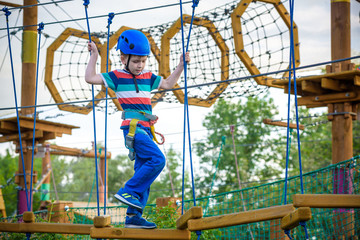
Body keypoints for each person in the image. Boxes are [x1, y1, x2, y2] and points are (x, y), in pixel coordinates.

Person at [85, 29, 190, 229]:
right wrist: (95, 55)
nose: (140, 65)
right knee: (158, 160)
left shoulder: (148, 77)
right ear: (123, 58)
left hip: (146, 129)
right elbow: (90, 78)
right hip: (133, 129)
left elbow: (168, 83)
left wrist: (181, 66)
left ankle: (133, 216)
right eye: (135, 62)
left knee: (145, 172)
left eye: (143, 61)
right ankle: (128, 190)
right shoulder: (116, 77)